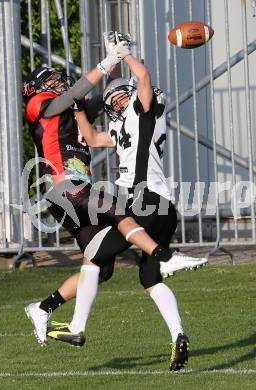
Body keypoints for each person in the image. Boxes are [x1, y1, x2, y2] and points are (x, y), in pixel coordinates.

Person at [46, 32, 208, 371]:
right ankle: (179, 334)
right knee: (150, 279)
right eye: (112, 101)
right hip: (162, 208)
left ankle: (78, 327)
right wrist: (78, 108)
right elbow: (91, 137)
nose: (118, 102)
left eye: (121, 95)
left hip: (143, 202)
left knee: (93, 255)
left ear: (131, 95)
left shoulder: (143, 110)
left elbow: (144, 78)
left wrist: (125, 54)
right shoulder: (122, 129)